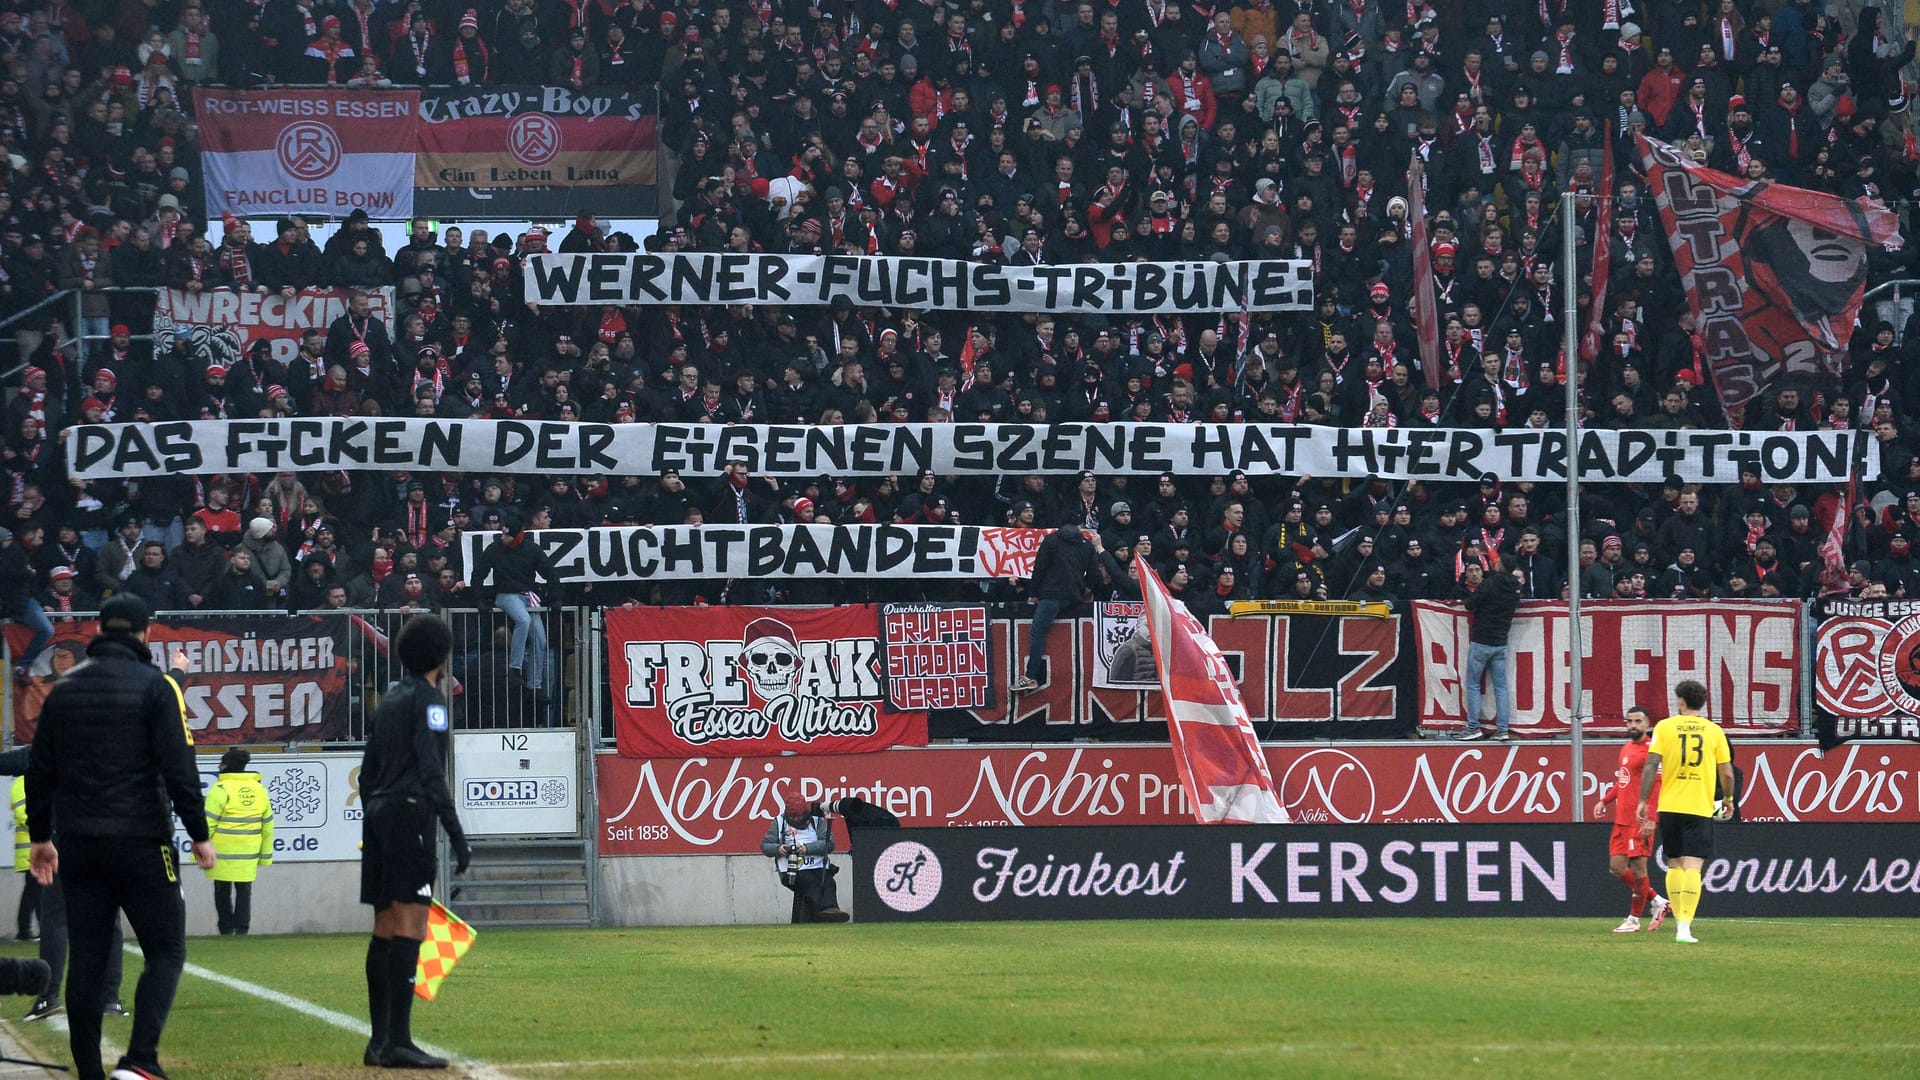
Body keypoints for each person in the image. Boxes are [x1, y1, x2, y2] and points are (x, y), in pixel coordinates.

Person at [25, 594, 214, 1080]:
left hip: (79, 846)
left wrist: (42, 838)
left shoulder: (64, 690)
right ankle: (140, 1062)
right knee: (166, 950)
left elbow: (39, 770)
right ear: (146, 634)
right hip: (142, 841)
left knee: (86, 959)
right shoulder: (156, 686)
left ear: (99, 632)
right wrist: (198, 832)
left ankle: (90, 1072)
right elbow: (179, 765)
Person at [359, 614, 471, 1069]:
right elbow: (431, 771)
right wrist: (456, 833)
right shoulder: (431, 701)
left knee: (384, 926)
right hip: (408, 813)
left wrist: (374, 815)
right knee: (410, 925)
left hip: (379, 813)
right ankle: (399, 1042)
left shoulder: (389, 699)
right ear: (441, 656)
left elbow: (367, 771)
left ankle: (379, 1041)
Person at [1639, 679, 1734, 945]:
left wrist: (1643, 801)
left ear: (1681, 700)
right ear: (1701, 702)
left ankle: (1679, 922)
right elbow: (1726, 771)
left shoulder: (1665, 727)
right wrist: (1727, 798)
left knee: (1674, 863)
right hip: (1699, 807)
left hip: (1670, 805)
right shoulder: (1714, 731)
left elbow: (1650, 765)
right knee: (1693, 866)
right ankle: (1684, 927)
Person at [1593, 706, 1670, 934]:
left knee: (1638, 870)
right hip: (1621, 819)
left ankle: (1634, 919)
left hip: (1640, 820)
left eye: (1638, 721)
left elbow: (1657, 787)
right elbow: (1623, 781)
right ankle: (1657, 900)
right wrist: (1604, 800)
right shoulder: (1626, 748)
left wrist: (1651, 818)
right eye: (1629, 721)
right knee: (1616, 867)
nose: (1633, 725)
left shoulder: (1652, 751)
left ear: (1647, 724)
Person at [472, 507, 560, 699]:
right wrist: (479, 597)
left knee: (540, 640)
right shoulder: (494, 548)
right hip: (506, 595)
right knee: (523, 620)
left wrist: (555, 597)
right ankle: (515, 668)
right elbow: (479, 573)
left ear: (517, 536)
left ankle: (534, 686)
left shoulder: (532, 549)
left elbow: (550, 573)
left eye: (507, 536)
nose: (503, 539)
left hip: (527, 595)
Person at [1012, 524, 1104, 693]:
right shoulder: (1087, 545)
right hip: (1074, 598)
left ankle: (1031, 676)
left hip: (1051, 595)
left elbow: (1039, 568)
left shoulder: (1052, 540)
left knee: (1037, 632)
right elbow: (1094, 574)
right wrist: (1084, 590)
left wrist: (1033, 593)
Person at [204, 749, 274, 936]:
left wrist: (199, 852)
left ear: (225, 766)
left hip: (222, 852)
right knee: (244, 892)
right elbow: (267, 826)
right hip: (249, 852)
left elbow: (207, 824)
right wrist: (265, 857)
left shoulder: (220, 790)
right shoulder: (259, 790)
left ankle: (226, 929)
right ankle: (242, 930)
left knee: (222, 891)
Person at [1454, 553, 1520, 741]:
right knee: (1501, 687)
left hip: (1482, 640)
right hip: (1501, 642)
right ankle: (1503, 729)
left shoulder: (1490, 583)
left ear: (1501, 565)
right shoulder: (1516, 587)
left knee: (1473, 685)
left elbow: (1469, 605)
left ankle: (1474, 726)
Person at [760, 792, 850, 924]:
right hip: (792, 871)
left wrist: (808, 848)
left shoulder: (817, 821)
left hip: (818, 867)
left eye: (799, 816)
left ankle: (831, 910)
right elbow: (765, 845)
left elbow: (829, 843)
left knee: (829, 882)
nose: (796, 819)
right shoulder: (779, 822)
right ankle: (825, 913)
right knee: (811, 883)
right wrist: (778, 848)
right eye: (792, 816)